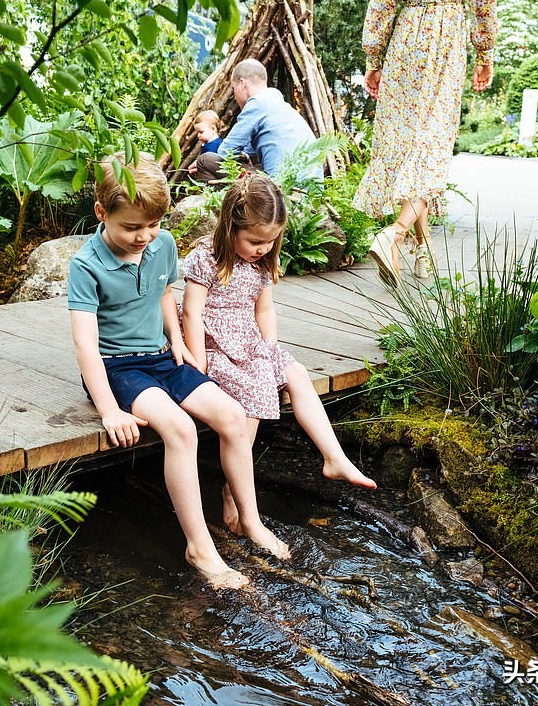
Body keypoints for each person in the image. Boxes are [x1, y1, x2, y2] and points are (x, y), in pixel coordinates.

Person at [68, 152, 290, 591]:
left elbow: (165, 296)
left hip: (163, 356)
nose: (143, 237)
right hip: (117, 369)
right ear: (101, 213)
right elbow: (85, 345)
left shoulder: (162, 244)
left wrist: (182, 343)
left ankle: (250, 519)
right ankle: (199, 547)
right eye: (131, 227)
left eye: (151, 226)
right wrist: (111, 410)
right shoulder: (86, 265)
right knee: (181, 430)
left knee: (230, 416)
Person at [181, 173, 377, 532]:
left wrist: (270, 350)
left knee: (296, 374)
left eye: (271, 241)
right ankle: (232, 492)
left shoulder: (260, 263)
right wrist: (198, 364)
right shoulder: (206, 259)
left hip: (250, 341)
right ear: (230, 227)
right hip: (214, 344)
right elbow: (192, 312)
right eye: (255, 240)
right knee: (254, 396)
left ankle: (334, 457)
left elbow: (264, 310)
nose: (263, 249)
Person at [355, 0, 497, 286]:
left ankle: (423, 248)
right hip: (446, 41)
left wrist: (374, 60)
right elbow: (483, 2)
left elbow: (381, 2)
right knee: (432, 149)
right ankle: (395, 234)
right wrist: (485, 54)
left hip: (405, 41)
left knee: (410, 147)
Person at [192, 59, 321, 183]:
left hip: (282, 189)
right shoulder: (276, 103)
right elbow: (249, 148)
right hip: (309, 189)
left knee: (204, 160)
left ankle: (218, 203)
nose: (235, 96)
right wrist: (243, 156)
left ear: (243, 84)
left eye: (234, 89)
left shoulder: (256, 104)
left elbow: (226, 151)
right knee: (258, 167)